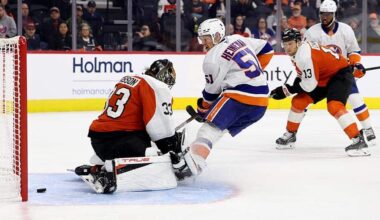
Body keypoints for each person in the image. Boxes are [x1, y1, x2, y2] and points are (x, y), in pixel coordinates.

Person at [174, 18, 274, 180]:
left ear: (217, 35)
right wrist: (252, 74)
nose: (203, 43)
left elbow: (211, 94)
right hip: (261, 103)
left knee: (209, 129)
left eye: (206, 38)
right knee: (217, 130)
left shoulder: (212, 59)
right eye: (201, 38)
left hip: (240, 98)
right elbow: (267, 49)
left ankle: (193, 165)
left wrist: (203, 108)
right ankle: (192, 155)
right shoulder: (238, 38)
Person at [75, 59, 183, 193]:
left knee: (146, 143)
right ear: (165, 75)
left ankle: (97, 167)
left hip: (98, 141)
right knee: (159, 156)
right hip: (122, 141)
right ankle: (109, 172)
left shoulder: (130, 79)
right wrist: (171, 148)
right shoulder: (157, 86)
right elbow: (158, 128)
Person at [270, 28, 370, 157]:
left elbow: (309, 85)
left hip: (339, 74)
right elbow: (304, 77)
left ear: (298, 42)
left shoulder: (304, 55)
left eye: (290, 43)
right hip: (323, 77)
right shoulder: (298, 51)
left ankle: (358, 140)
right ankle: (290, 135)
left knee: (334, 106)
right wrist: (290, 89)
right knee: (299, 101)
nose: (287, 48)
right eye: (285, 44)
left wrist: (288, 90)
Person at [299, 0, 376, 145]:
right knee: (303, 100)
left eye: (328, 14)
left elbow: (354, 51)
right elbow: (306, 55)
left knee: (355, 98)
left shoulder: (345, 30)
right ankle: (291, 132)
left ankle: (368, 128)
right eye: (322, 14)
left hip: (341, 73)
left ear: (334, 14)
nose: (324, 17)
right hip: (321, 74)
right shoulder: (312, 33)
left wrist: (356, 64)